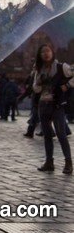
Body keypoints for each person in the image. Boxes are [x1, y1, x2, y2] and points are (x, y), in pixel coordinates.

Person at [33, 43, 73, 174]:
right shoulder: (39, 69)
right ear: (40, 55)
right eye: (42, 52)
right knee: (47, 136)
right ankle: (49, 162)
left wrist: (66, 85)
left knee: (61, 134)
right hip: (43, 105)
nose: (45, 53)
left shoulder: (62, 67)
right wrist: (38, 82)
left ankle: (68, 163)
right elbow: (36, 88)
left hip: (57, 105)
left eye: (48, 51)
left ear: (52, 52)